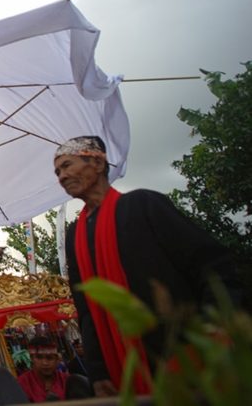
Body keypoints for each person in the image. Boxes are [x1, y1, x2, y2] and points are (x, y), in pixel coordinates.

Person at [54, 135, 241, 397]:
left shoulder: (144, 205)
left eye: (67, 165)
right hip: (123, 366)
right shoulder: (76, 235)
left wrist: (217, 327)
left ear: (96, 163)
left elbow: (211, 264)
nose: (61, 176)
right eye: (58, 171)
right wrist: (98, 373)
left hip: (183, 352)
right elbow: (86, 309)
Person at [16, 337, 68, 402]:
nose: (45, 363)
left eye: (49, 358)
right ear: (32, 358)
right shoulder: (21, 383)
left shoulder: (67, 380)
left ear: (57, 360)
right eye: (39, 358)